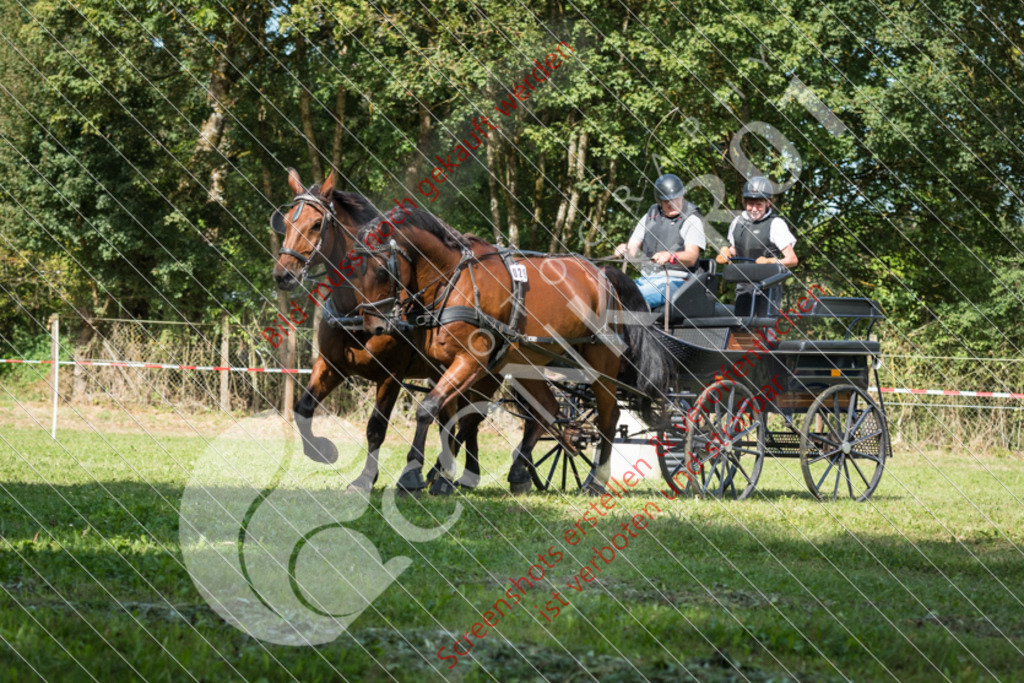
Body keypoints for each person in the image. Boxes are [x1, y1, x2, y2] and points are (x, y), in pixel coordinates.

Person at [614, 173, 706, 308]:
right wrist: (624, 249)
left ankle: (640, 327)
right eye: (667, 201)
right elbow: (632, 249)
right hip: (647, 279)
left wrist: (670, 256)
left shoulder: (692, 220)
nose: (672, 204)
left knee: (632, 299)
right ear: (659, 201)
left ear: (682, 196)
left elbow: (692, 256)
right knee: (611, 294)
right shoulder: (650, 216)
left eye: (675, 199)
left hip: (678, 281)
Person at [717, 176, 798, 316]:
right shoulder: (737, 222)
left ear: (768, 203)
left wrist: (770, 262)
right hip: (743, 286)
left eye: (759, 204)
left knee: (764, 331)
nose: (754, 209)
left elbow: (792, 259)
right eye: (750, 204)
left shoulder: (776, 224)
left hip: (768, 287)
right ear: (744, 202)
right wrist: (726, 251)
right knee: (741, 330)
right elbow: (736, 248)